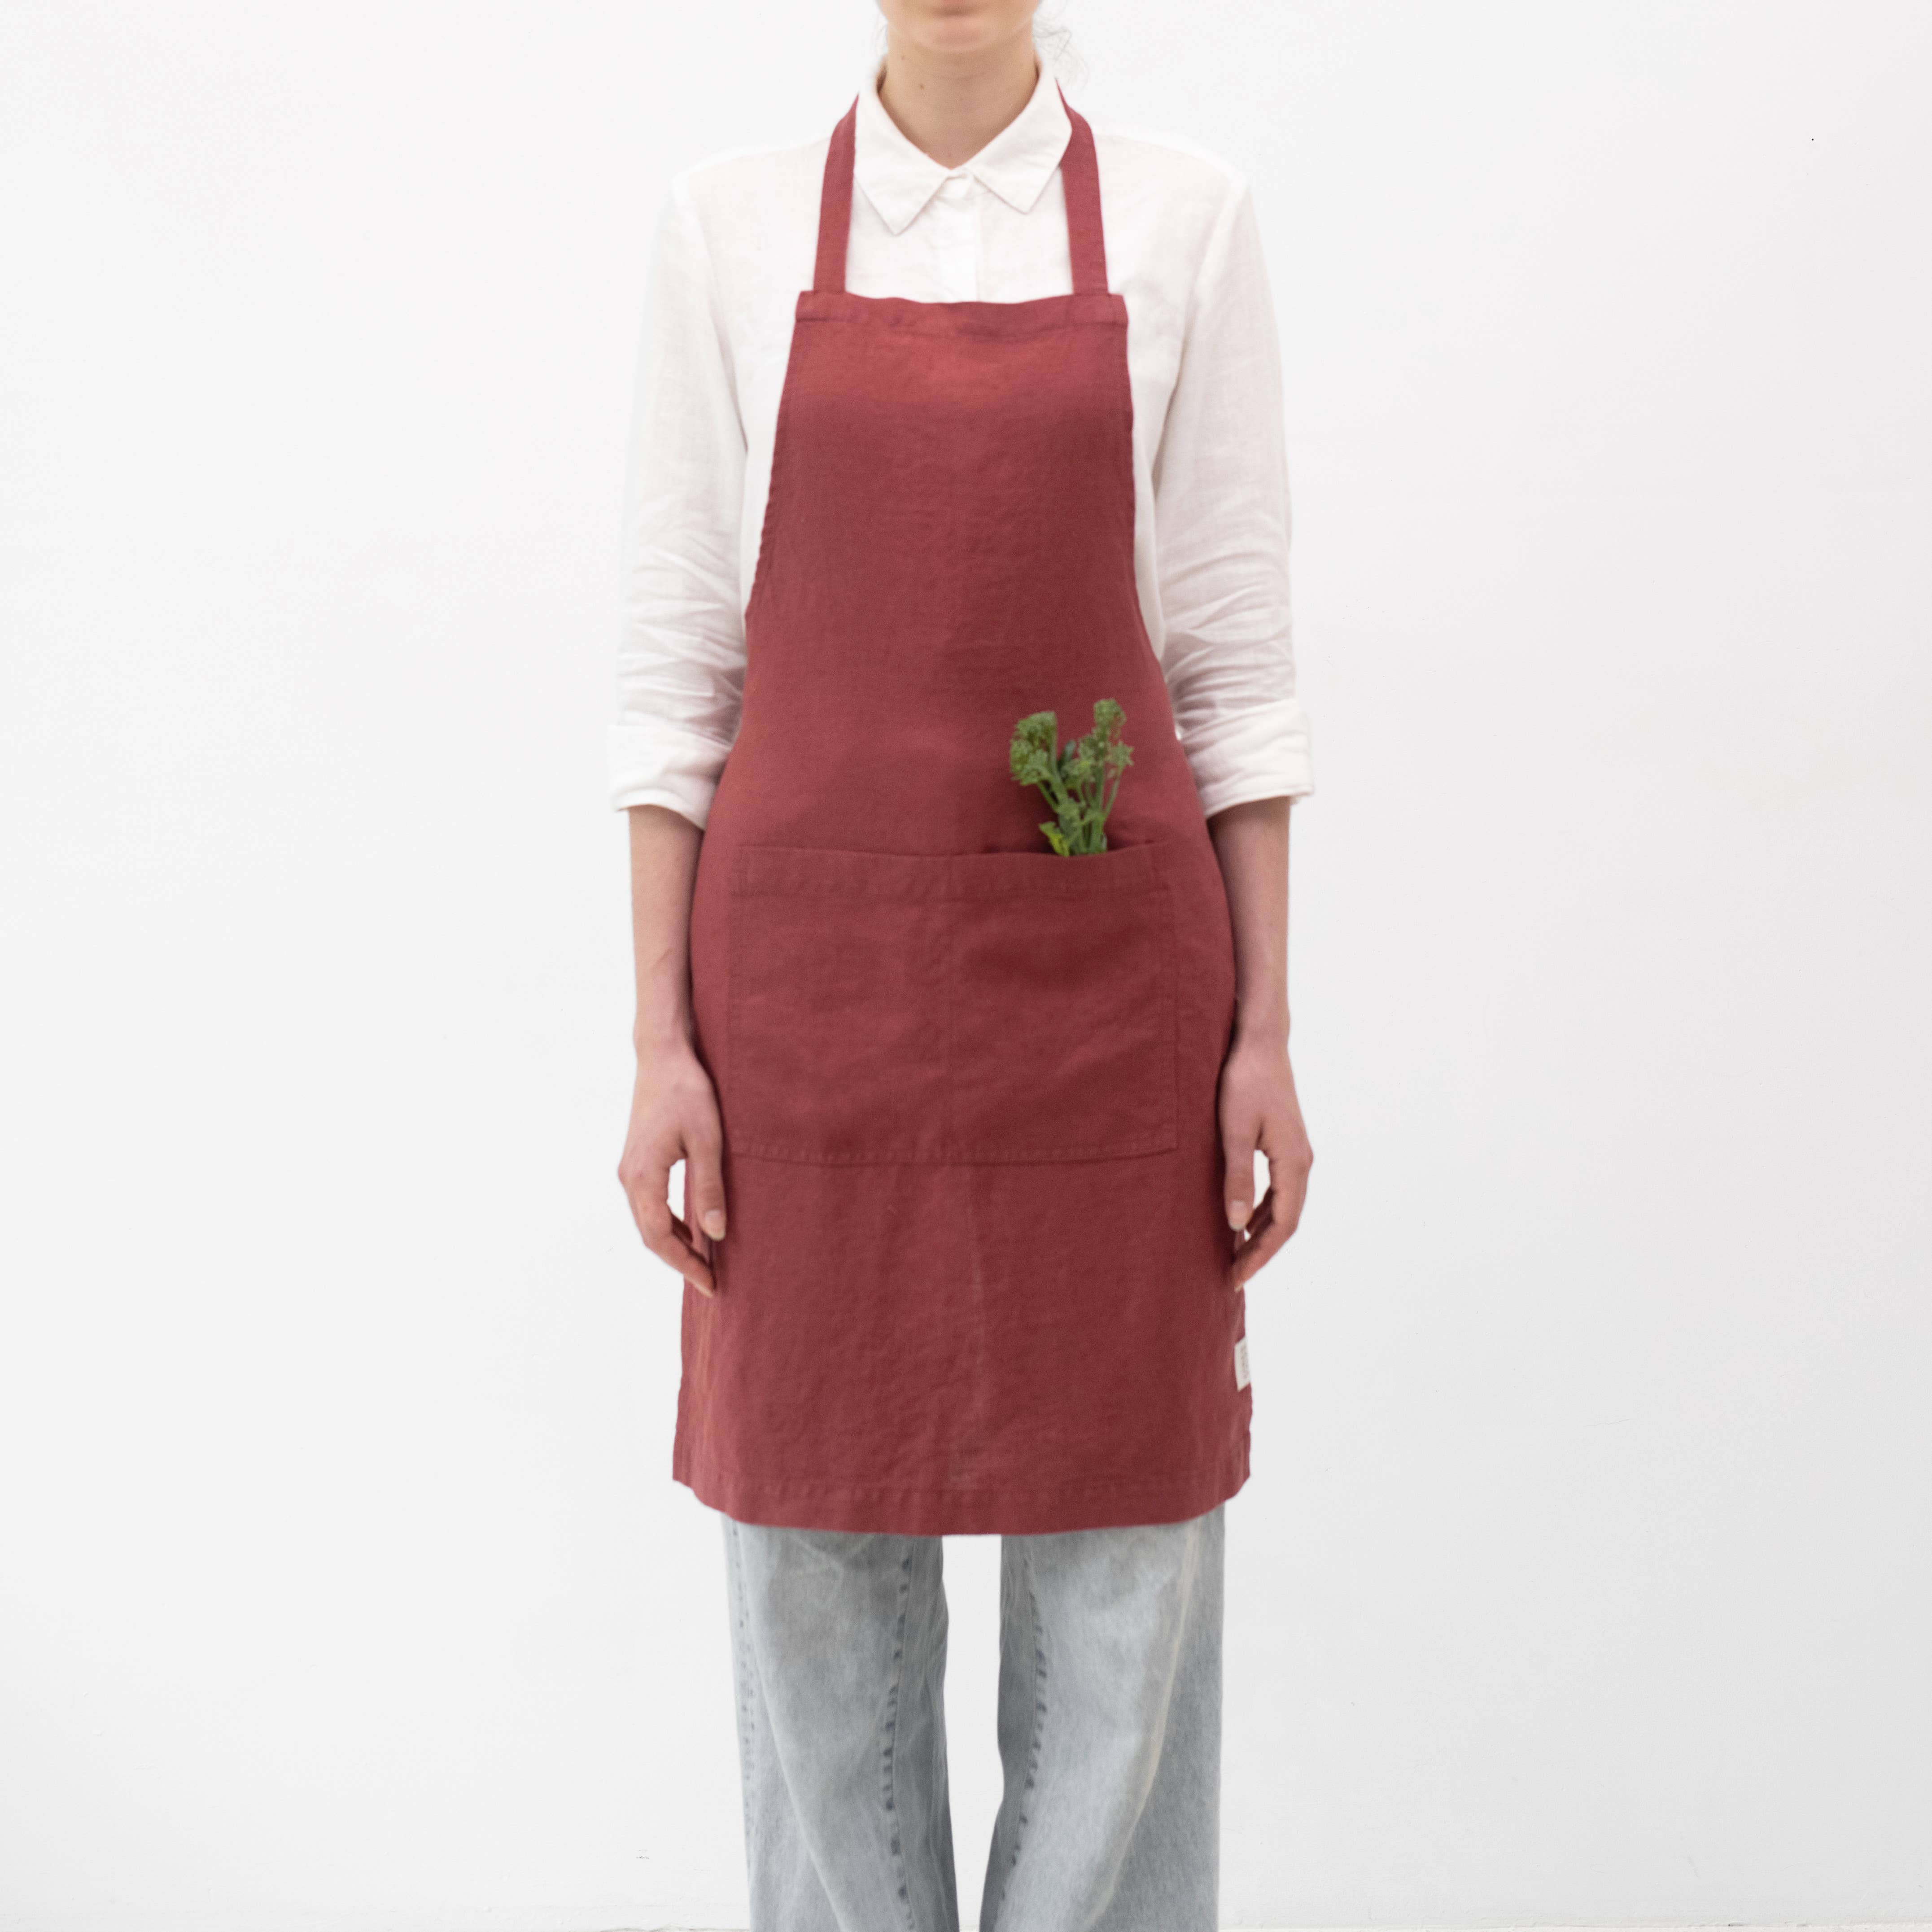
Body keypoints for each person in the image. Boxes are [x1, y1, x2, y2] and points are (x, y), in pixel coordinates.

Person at [609, 3, 1314, 1924]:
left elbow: (1235, 669)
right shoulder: (726, 225)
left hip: (1111, 1013)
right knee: (811, 1565)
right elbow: (676, 679)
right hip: (805, 1013)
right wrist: (660, 1043)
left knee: (1129, 1570)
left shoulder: (1187, 217)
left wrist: (1265, 1027)